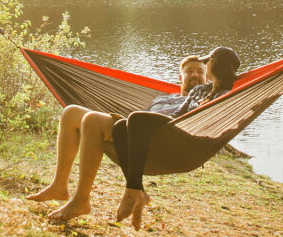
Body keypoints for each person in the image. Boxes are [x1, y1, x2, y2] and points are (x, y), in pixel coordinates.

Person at [26, 55, 208, 221]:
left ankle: (81, 200)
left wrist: (207, 98)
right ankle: (59, 186)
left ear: (207, 79)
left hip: (164, 146)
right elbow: (141, 118)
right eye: (189, 71)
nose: (195, 75)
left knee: (92, 120)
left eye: (200, 72)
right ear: (180, 77)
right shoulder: (162, 98)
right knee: (71, 112)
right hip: (135, 135)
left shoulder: (204, 99)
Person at [112, 46, 241, 229]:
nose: (205, 66)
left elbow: (218, 119)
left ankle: (132, 190)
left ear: (215, 65)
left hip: (189, 138)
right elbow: (181, 110)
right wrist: (169, 120)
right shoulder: (200, 90)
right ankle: (137, 190)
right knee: (119, 128)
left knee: (136, 118)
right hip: (176, 124)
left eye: (208, 62)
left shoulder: (225, 96)